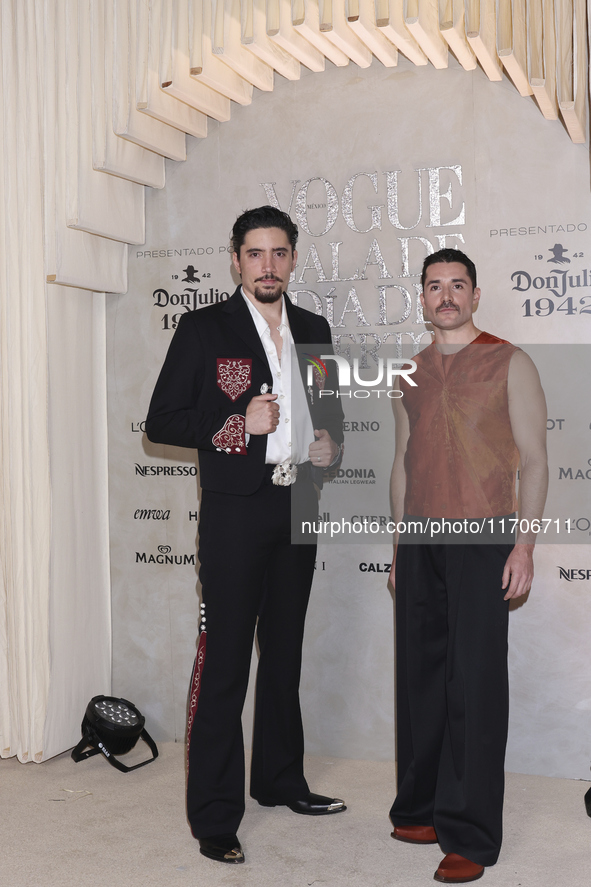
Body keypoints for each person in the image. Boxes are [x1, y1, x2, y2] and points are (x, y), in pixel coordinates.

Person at [145, 206, 345, 865]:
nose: (267, 265)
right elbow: (163, 421)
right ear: (235, 259)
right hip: (234, 517)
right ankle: (213, 815)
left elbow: (332, 417)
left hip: (298, 508)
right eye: (254, 253)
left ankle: (280, 779)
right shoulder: (205, 327)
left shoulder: (314, 328)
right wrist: (239, 424)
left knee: (283, 655)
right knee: (225, 663)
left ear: (292, 259)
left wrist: (327, 445)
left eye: (279, 252)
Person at [388, 249, 548, 883]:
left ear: (476, 296)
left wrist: (525, 546)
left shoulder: (511, 361)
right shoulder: (408, 371)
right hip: (421, 540)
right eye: (435, 286)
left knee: (473, 687)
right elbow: (401, 464)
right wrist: (398, 545)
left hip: (485, 539)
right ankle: (421, 806)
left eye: (458, 286)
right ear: (422, 298)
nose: (446, 296)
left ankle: (471, 834)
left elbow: (535, 461)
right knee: (421, 678)